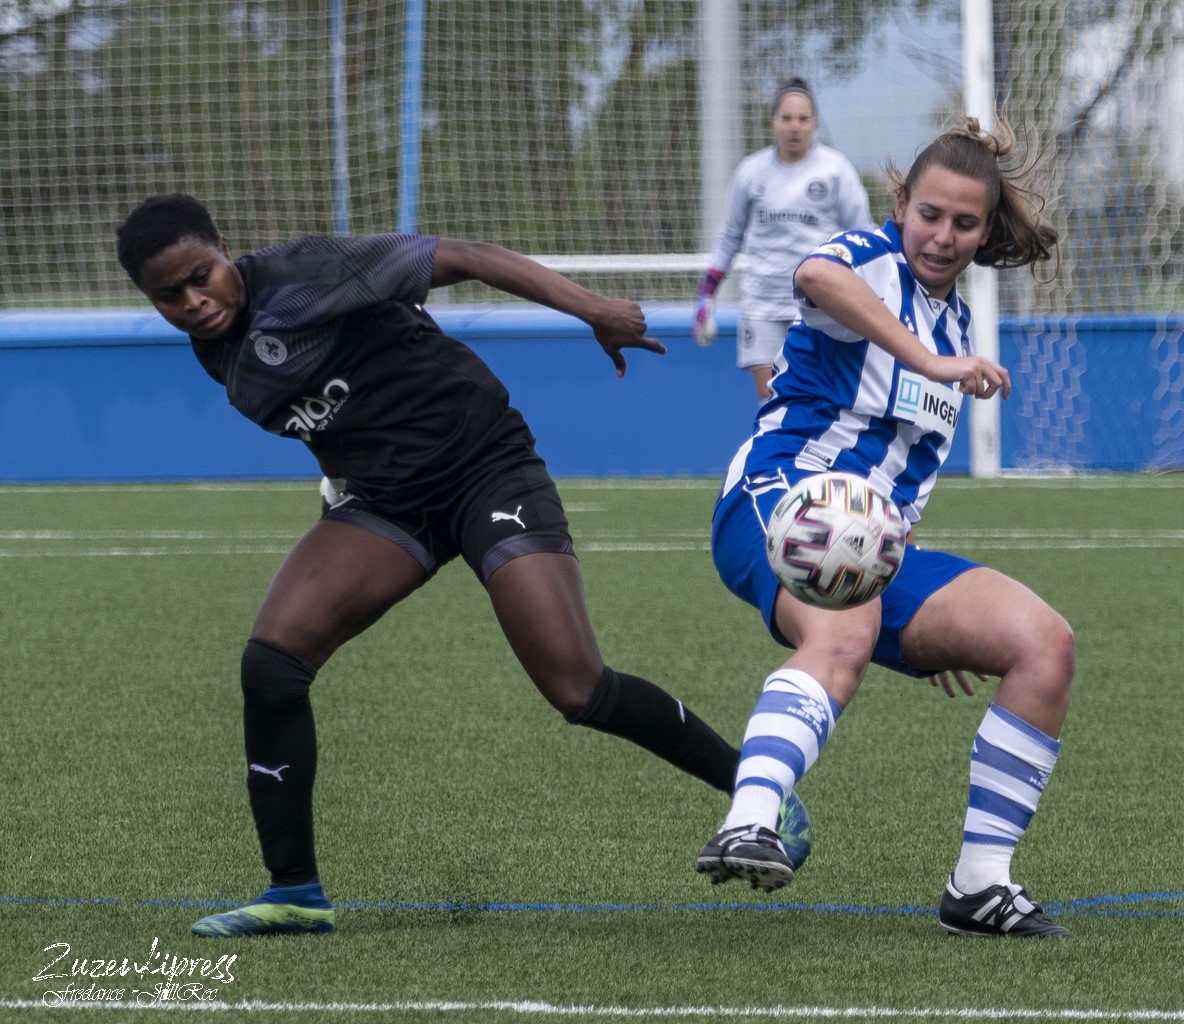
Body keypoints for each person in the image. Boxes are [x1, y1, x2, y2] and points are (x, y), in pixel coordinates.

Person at [115, 194, 746, 938]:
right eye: (170, 295)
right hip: (386, 504)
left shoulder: (310, 273)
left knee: (578, 688)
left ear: (225, 246)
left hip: (486, 470)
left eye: (202, 276)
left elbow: (466, 257)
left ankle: (757, 792)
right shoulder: (215, 342)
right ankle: (293, 892)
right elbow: (334, 409)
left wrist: (592, 308)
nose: (194, 301)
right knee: (272, 665)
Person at [696, 116, 1076, 938]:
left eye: (964, 222)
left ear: (984, 229)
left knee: (1042, 643)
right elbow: (813, 274)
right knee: (850, 617)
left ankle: (980, 884)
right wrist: (928, 361)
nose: (942, 236)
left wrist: (928, 623)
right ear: (900, 203)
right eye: (929, 214)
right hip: (778, 495)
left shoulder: (959, 331)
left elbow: (905, 483)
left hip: (875, 540)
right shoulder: (869, 261)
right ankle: (751, 817)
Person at [692, 77, 873, 401]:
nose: (794, 127)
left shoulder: (835, 170)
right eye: (787, 118)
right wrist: (706, 297)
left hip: (818, 305)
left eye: (803, 119)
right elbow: (730, 236)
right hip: (762, 305)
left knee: (816, 399)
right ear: (773, 122)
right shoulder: (750, 172)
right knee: (772, 402)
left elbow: (862, 234)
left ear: (815, 124)